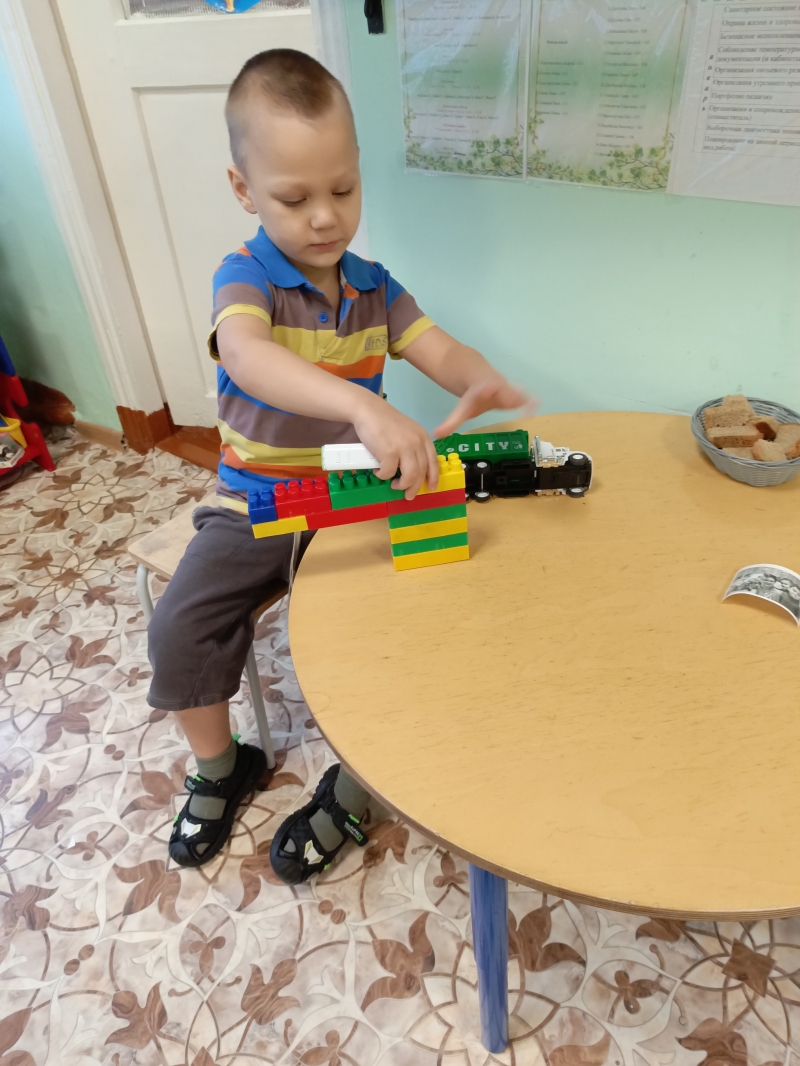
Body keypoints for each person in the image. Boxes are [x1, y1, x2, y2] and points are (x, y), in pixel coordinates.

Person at [146, 49, 528, 883]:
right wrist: (361, 403)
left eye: (344, 190)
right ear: (244, 190)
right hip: (257, 501)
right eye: (295, 198)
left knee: (406, 626)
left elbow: (438, 348)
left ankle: (357, 784)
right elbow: (246, 356)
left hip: (355, 499)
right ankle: (221, 767)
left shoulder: (375, 288)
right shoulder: (244, 277)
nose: (325, 217)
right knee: (178, 627)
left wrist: (480, 378)